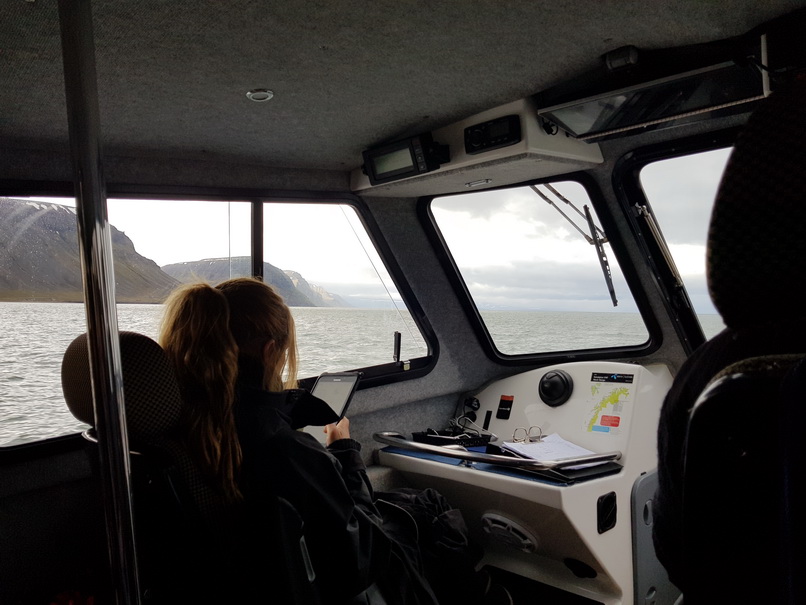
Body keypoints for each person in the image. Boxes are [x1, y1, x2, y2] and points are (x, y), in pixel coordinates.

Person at [158, 277, 495, 605]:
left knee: (408, 504)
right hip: (347, 579)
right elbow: (362, 560)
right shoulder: (285, 449)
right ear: (270, 351)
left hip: (254, 581)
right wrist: (345, 450)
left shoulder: (179, 424)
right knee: (430, 504)